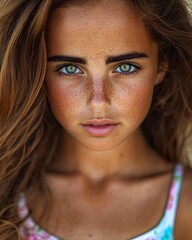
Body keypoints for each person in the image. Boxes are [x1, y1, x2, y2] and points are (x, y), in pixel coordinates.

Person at [0, 0, 192, 239]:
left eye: (125, 67)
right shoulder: (7, 201)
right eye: (70, 69)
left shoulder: (186, 205)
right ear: (38, 72)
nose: (99, 101)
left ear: (161, 64)